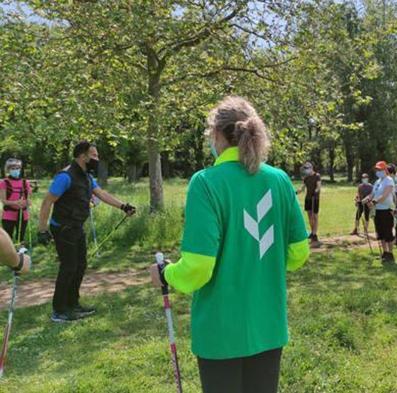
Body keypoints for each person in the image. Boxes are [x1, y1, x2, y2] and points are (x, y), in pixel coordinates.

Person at [149, 96, 310, 393]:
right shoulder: (280, 180)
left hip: (220, 332)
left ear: (217, 135)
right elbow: (298, 253)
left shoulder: (206, 182)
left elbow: (198, 268)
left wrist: (167, 273)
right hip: (269, 326)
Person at [37, 141, 136, 323]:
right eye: (94, 156)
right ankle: (59, 311)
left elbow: (101, 194)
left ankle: (73, 305)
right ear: (83, 156)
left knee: (80, 265)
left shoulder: (86, 176)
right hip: (63, 228)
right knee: (68, 267)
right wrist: (42, 230)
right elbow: (46, 202)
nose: (97, 159)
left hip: (76, 227)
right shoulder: (65, 176)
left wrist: (123, 206)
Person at [0, 158, 32, 244]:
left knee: (21, 237)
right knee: (8, 237)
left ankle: (21, 254)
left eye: (17, 168)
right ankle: (8, 255)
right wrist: (15, 202)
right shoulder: (4, 182)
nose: (15, 170)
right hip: (8, 215)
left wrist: (27, 203)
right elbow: (3, 201)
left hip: (23, 214)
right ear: (8, 169)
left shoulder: (25, 182)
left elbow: (28, 200)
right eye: (13, 168)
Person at [370, 161, 395, 263]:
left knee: (387, 232)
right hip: (378, 211)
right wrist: (366, 200)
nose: (378, 171)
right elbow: (372, 194)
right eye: (377, 169)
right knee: (380, 233)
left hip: (386, 210)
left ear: (385, 170)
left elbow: (385, 195)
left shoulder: (389, 180)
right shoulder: (377, 181)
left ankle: (390, 254)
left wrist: (374, 202)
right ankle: (384, 253)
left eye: (380, 169)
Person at [298, 162, 321, 243]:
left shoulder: (317, 176)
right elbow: (302, 188)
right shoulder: (306, 177)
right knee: (309, 216)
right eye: (305, 169)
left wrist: (316, 191)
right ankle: (312, 232)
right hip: (308, 198)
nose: (306, 170)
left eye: (307, 168)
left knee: (315, 216)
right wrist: (297, 191)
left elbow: (318, 186)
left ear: (311, 168)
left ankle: (315, 234)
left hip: (315, 198)